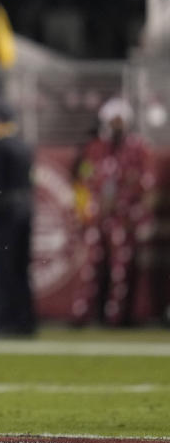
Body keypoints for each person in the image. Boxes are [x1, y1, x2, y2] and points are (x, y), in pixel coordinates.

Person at [72, 97, 155, 326]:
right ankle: (83, 315)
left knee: (121, 269)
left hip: (125, 218)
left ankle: (116, 317)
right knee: (91, 267)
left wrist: (141, 218)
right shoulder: (95, 148)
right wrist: (85, 211)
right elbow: (83, 179)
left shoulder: (138, 148)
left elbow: (147, 186)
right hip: (99, 216)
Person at [0, 100, 35, 335]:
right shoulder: (23, 145)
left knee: (2, 269)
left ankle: (3, 322)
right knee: (21, 269)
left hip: (4, 214)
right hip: (25, 210)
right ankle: (25, 321)